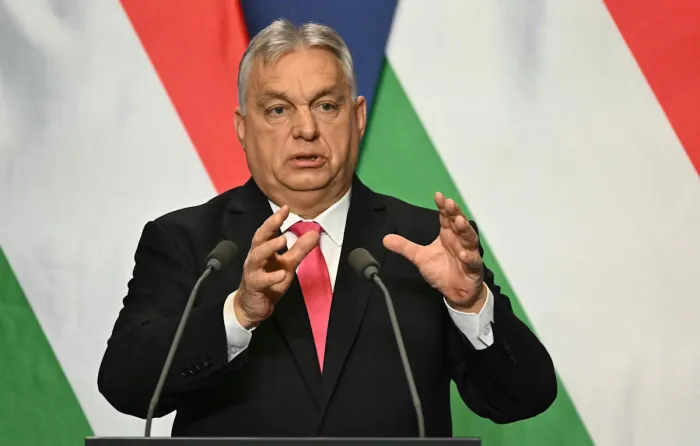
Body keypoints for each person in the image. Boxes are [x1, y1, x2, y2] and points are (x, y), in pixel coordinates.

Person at [98, 19, 557, 437]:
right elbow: (126, 385)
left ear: (357, 118)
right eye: (278, 110)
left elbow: (525, 396)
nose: (306, 129)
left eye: (325, 105)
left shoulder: (425, 241)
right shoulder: (187, 240)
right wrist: (237, 314)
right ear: (242, 126)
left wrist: (471, 304)